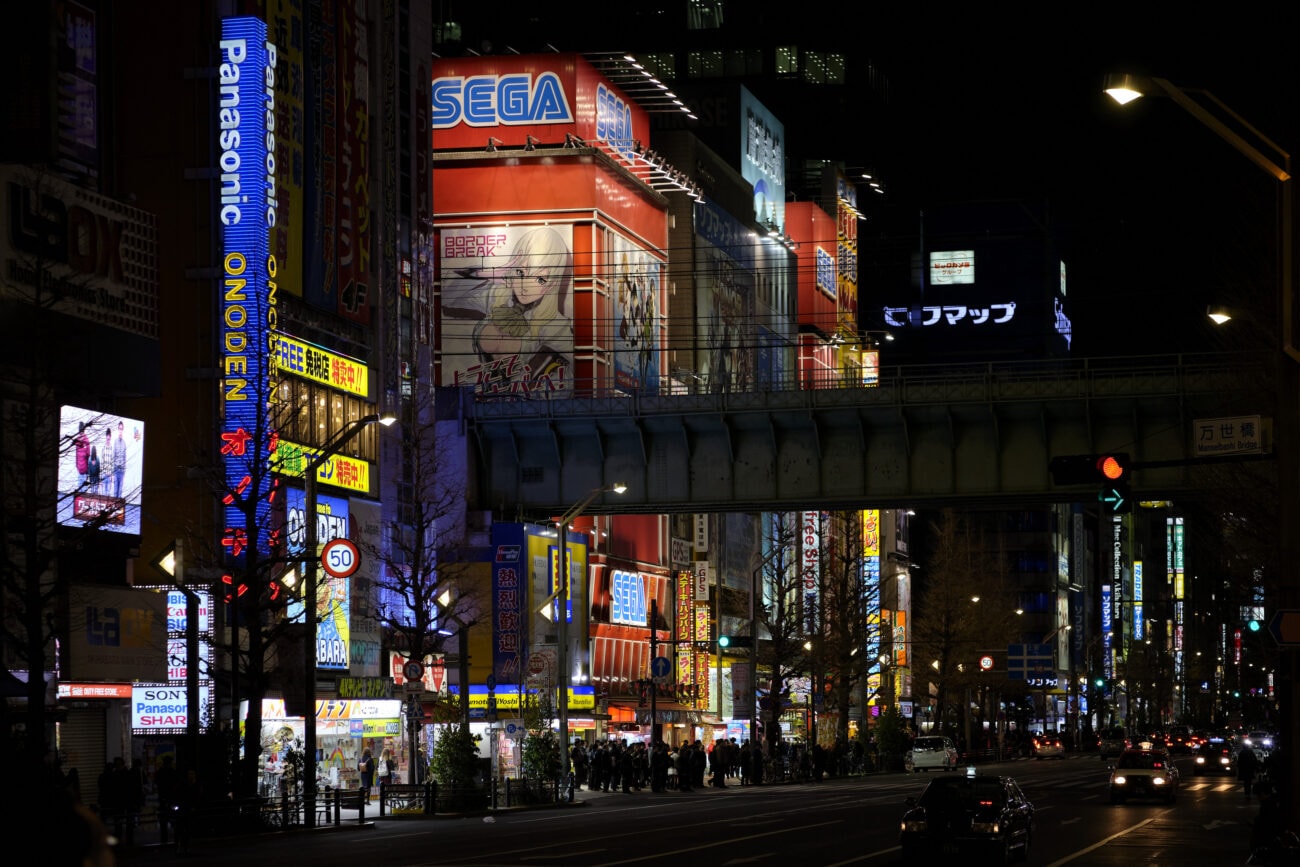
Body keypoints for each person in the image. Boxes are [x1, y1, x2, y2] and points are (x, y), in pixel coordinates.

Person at [441, 226, 574, 390]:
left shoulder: (552, 323)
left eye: (540, 279)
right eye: (520, 272)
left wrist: (548, 392)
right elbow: (445, 295)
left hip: (517, 404)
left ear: (552, 283)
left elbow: (582, 363)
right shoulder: (495, 296)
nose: (525, 287)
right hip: (472, 398)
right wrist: (485, 273)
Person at [154, 756, 180, 845]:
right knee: (174, 818)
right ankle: (176, 837)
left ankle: (164, 838)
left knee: (163, 819)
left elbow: (157, 783)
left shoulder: (159, 773)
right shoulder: (173, 772)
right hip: (172, 798)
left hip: (162, 798)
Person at [111, 420, 127, 498]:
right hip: (116, 469)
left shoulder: (124, 443)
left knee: (120, 492)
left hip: (122, 471)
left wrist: (124, 472)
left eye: (122, 429)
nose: (120, 431)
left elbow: (125, 458)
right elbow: (113, 457)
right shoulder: (115, 442)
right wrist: (112, 473)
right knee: (115, 492)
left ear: (123, 430)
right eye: (119, 429)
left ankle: (118, 509)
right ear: (118, 430)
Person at [74, 421, 90, 487]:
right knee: (81, 488)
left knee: (81, 489)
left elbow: (88, 455)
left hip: (82, 469)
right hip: (81, 469)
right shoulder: (84, 440)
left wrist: (77, 466)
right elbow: (77, 455)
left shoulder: (83, 440)